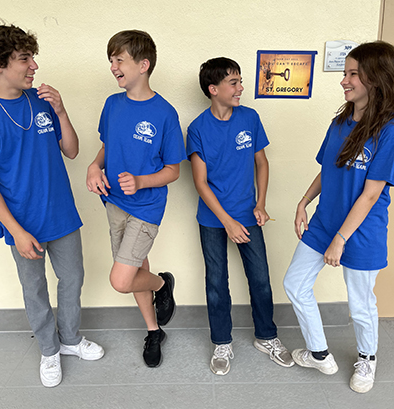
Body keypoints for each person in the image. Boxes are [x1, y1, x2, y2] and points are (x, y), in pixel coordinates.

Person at [0, 24, 104, 388]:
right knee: (35, 289)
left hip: (61, 213)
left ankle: (70, 340)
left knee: (72, 279)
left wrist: (61, 110)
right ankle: (48, 350)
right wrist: (16, 230)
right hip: (21, 222)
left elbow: (71, 150)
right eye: (24, 59)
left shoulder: (41, 100)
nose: (34, 66)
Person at [283, 41, 394, 394]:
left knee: (360, 303)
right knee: (295, 284)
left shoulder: (389, 130)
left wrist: (341, 239)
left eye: (352, 74)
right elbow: (328, 169)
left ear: (375, 79)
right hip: (324, 223)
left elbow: (372, 192)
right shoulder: (341, 120)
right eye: (345, 73)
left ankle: (367, 358)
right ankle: (319, 353)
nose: (343, 81)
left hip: (360, 232)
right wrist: (303, 202)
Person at [186, 57, 294, 376]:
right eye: (233, 83)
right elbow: (200, 183)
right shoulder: (198, 129)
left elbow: (261, 163)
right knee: (217, 283)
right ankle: (222, 342)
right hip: (213, 219)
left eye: (240, 81)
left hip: (248, 215)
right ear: (213, 88)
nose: (240, 88)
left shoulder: (249, 118)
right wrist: (228, 222)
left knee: (260, 278)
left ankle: (267, 336)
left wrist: (260, 204)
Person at [86, 30, 185, 368]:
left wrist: (142, 181)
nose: (113, 67)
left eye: (119, 60)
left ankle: (162, 285)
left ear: (143, 65)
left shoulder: (165, 113)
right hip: (113, 203)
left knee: (121, 279)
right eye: (111, 60)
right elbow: (106, 148)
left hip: (146, 209)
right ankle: (154, 330)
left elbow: (173, 170)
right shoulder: (112, 105)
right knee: (137, 266)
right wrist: (93, 167)